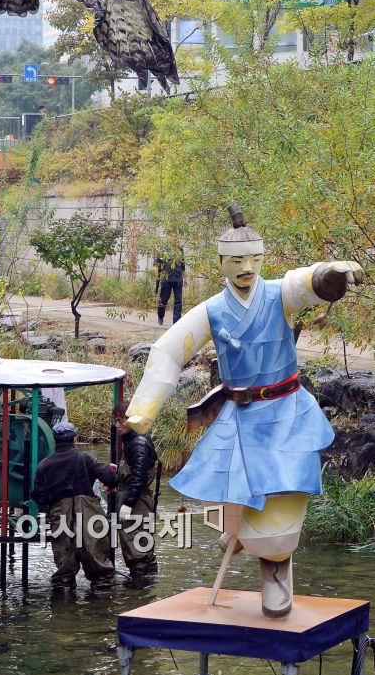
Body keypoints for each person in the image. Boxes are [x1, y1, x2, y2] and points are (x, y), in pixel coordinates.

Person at [126, 203, 364, 618]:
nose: (246, 268)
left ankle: (274, 569)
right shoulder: (212, 311)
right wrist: (142, 411)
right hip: (241, 416)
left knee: (286, 490)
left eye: (253, 260)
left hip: (287, 411)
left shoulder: (277, 295)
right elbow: (168, 350)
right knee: (233, 484)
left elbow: (305, 283)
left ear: (261, 259)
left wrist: (330, 272)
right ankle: (240, 532)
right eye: (236, 260)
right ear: (221, 262)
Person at [31, 421, 118, 592]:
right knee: (100, 571)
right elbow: (109, 476)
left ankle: (64, 611)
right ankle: (102, 608)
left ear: (54, 441)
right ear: (74, 440)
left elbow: (39, 496)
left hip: (61, 517)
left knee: (64, 572)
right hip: (90, 517)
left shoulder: (44, 465)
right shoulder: (85, 459)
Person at [113, 402, 159, 578]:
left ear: (132, 420)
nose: (117, 425)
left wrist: (128, 504)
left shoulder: (138, 443)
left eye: (121, 421)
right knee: (140, 544)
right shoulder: (131, 442)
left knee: (136, 545)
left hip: (137, 502)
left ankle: (139, 590)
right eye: (115, 421)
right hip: (133, 498)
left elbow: (139, 477)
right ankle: (148, 585)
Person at [155, 245, 187, 326]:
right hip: (166, 279)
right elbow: (157, 265)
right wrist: (157, 277)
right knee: (163, 300)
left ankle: (176, 322)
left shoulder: (180, 249)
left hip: (178, 279)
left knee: (178, 301)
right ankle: (160, 316)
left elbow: (183, 266)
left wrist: (185, 278)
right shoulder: (163, 249)